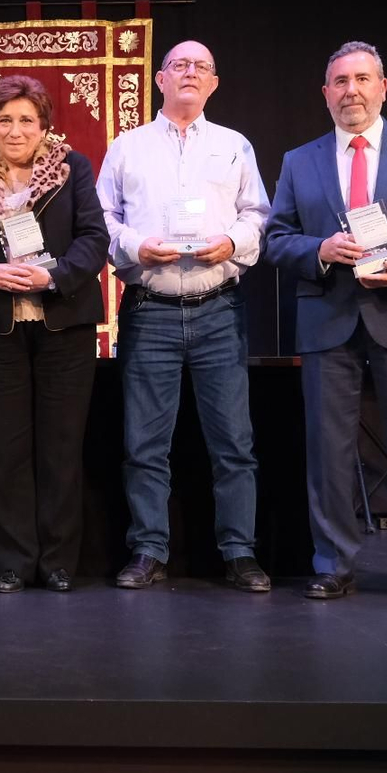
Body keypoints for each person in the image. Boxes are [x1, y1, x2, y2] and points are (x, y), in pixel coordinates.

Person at [264, 41, 387, 604]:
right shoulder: (300, 160)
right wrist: (321, 249)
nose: (351, 90)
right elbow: (277, 238)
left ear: (382, 86)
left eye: (362, 79)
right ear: (325, 93)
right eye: (340, 81)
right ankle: (332, 562)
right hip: (327, 318)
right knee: (327, 451)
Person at [96, 40, 272, 591]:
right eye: (179, 65)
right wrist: (134, 245)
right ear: (159, 80)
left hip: (218, 307)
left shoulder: (234, 145)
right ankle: (148, 550)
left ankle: (239, 552)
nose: (190, 73)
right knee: (145, 444)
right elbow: (102, 219)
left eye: (201, 67)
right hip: (150, 309)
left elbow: (259, 216)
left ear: (214, 83)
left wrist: (232, 241)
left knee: (233, 442)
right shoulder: (127, 147)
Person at [0, 76, 109, 592]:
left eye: (26, 121)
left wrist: (53, 275)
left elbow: (94, 238)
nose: (16, 130)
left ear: (44, 127)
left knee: (61, 447)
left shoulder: (72, 169)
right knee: (4, 449)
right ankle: (13, 562)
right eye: (4, 121)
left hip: (64, 325)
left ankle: (58, 562)